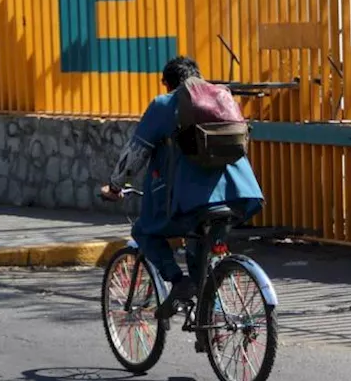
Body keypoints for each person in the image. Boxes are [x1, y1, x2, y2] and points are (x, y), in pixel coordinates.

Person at [100, 55, 265, 317]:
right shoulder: (223, 98)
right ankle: (212, 320)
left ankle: (179, 282)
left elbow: (136, 153)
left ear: (167, 83)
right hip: (239, 196)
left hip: (191, 202)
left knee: (144, 231)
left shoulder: (165, 105)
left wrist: (115, 185)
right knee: (204, 253)